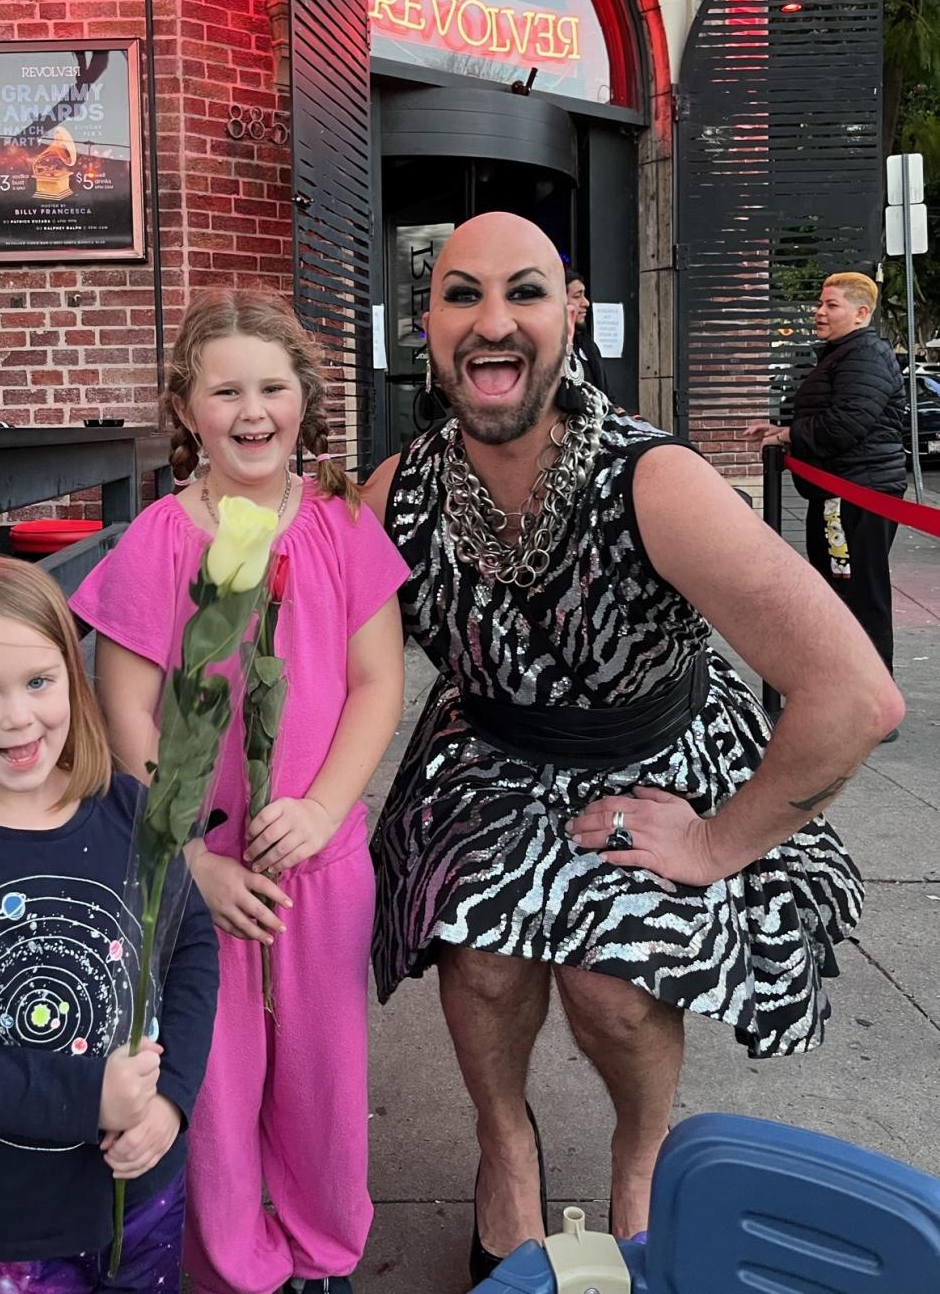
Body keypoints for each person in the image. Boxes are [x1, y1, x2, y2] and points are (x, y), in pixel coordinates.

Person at [361, 213, 901, 1280]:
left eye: (523, 291)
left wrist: (713, 843)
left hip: (654, 751)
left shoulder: (653, 481)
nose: (491, 320)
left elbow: (854, 694)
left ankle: (642, 1155)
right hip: (489, 748)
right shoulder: (397, 492)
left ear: (571, 313)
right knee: (484, 945)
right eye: (460, 294)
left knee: (613, 980)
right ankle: (505, 1148)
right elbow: (327, 673)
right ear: (426, 326)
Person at [71, 290, 408, 1294]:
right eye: (226, 391)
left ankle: (321, 1249)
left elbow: (376, 682)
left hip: (318, 857)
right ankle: (232, 1258)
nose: (252, 410)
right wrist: (189, 859)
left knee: (321, 1071)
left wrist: (322, 807)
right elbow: (125, 707)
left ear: (305, 398)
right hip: (199, 865)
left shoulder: (344, 524)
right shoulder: (162, 539)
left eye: (272, 387)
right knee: (214, 1074)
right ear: (187, 408)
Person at [0, 555, 218, 1294]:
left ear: (72, 672)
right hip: (22, 1228)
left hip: (149, 1189)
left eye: (38, 681)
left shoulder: (130, 811)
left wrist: (172, 1098)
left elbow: (190, 945)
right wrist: (88, 1092)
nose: (19, 716)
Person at [745, 272, 906, 688]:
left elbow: (847, 423)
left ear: (860, 313)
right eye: (820, 303)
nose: (819, 312)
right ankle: (848, 691)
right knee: (841, 590)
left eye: (831, 305)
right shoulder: (844, 354)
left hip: (857, 492)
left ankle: (868, 699)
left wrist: (788, 435)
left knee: (859, 596)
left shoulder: (864, 355)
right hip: (842, 489)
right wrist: (783, 430)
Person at [564, 266, 608, 394]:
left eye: (584, 295)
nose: (586, 303)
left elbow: (607, 396)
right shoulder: (548, 349)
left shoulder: (588, 346)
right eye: (577, 296)